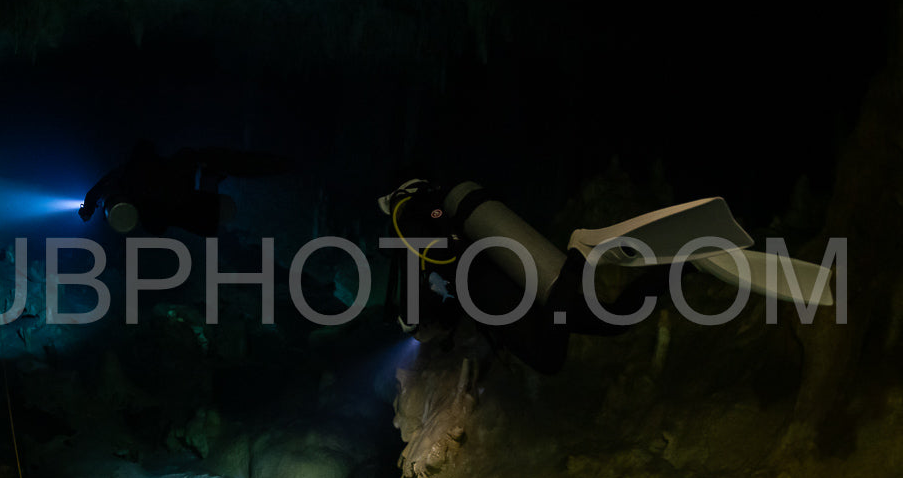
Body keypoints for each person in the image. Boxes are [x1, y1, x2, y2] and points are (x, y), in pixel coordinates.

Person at [377, 178, 834, 373]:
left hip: (489, 286)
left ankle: (581, 254)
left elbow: (414, 307)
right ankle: (685, 266)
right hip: (515, 271)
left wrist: (415, 324)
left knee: (549, 359)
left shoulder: (409, 223)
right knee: (611, 320)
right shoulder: (437, 213)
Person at [80, 140, 289, 236]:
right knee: (196, 210)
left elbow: (96, 192)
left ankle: (213, 178)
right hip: (175, 202)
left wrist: (87, 211)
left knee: (189, 216)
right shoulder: (163, 166)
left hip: (165, 209)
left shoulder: (125, 173)